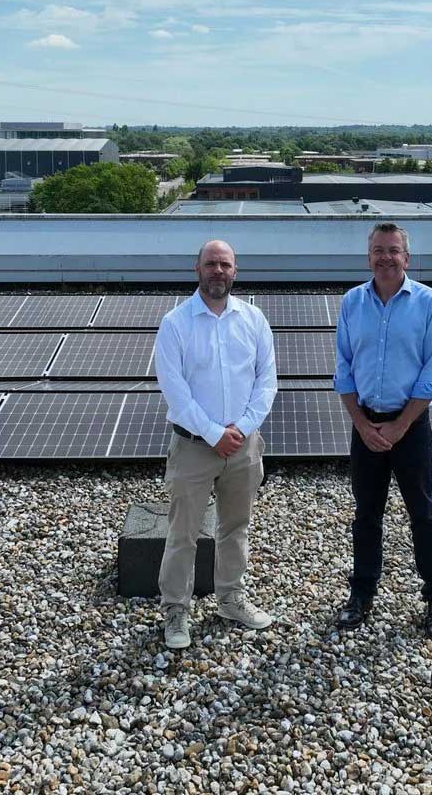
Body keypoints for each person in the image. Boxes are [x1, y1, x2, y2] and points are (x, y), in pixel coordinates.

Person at [154, 239, 277, 650]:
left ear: (235, 271)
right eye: (211, 264)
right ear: (197, 269)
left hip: (243, 445)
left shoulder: (254, 320)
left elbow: (266, 383)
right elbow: (175, 391)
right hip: (193, 446)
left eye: (225, 264)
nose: (218, 271)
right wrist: (213, 434)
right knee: (183, 532)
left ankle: (230, 598)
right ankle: (176, 610)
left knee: (235, 527)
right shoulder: (175, 324)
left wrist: (239, 430)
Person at [331, 221, 432, 642]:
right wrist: (362, 425)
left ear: (407, 258)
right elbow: (343, 370)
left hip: (411, 427)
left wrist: (400, 427)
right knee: (366, 516)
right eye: (378, 250)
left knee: (424, 514)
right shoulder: (351, 302)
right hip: (365, 425)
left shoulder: (428, 303)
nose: (386, 257)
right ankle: (361, 595)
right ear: (369, 258)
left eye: (393, 250)